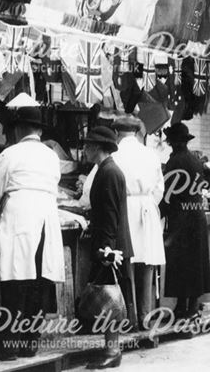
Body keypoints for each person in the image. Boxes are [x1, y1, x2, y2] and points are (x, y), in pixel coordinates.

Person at [0, 107, 65, 360]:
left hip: (20, 217)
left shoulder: (11, 153)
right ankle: (29, 343)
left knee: (16, 281)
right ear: (39, 130)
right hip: (46, 218)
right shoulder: (51, 157)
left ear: (18, 129)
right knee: (39, 281)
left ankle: (7, 346)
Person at [82, 125, 132, 370]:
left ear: (97, 147)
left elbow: (111, 214)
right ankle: (110, 347)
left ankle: (113, 350)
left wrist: (107, 250)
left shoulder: (109, 172)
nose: (84, 149)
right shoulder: (106, 170)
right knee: (106, 299)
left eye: (88, 145)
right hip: (109, 242)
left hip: (110, 246)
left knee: (109, 298)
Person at [111, 115, 165, 328]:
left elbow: (97, 185)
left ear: (117, 133)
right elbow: (160, 188)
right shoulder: (151, 154)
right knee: (147, 264)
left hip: (126, 209)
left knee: (127, 264)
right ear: (136, 132)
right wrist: (149, 203)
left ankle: (129, 318)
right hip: (147, 207)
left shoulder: (115, 155)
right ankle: (145, 316)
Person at [160, 122, 210, 320]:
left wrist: (157, 212)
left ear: (173, 142)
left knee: (180, 262)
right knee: (195, 262)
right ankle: (191, 307)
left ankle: (182, 307)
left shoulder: (174, 162)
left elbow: (169, 195)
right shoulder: (195, 160)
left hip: (180, 218)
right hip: (197, 216)